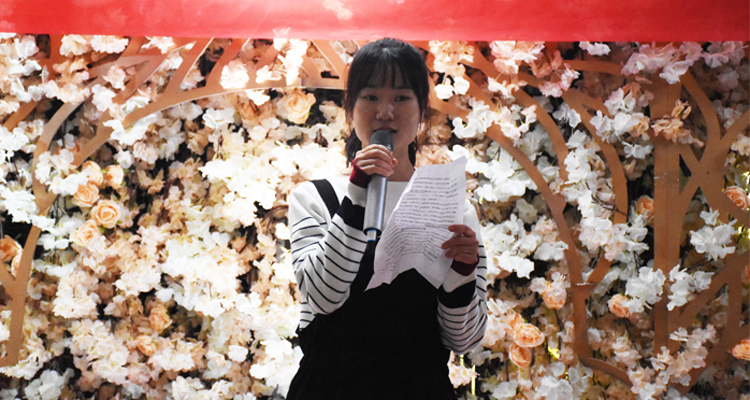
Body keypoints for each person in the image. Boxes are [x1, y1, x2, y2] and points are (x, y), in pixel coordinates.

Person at [286, 38, 488, 400]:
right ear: (350, 109)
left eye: (401, 98)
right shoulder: (316, 197)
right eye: (370, 97)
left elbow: (465, 340)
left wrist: (462, 272)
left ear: (422, 112)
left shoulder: (452, 207)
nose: (385, 111)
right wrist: (357, 194)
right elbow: (322, 297)